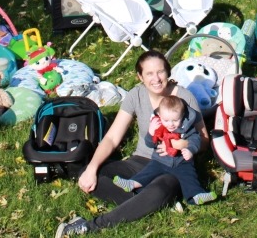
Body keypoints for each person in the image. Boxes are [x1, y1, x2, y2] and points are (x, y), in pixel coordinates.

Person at [56, 50, 212, 237]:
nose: (156, 78)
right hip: (140, 162)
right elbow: (112, 138)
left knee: (159, 190)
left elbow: (203, 140)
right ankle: (147, 203)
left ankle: (92, 225)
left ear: (168, 72)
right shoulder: (136, 95)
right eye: (149, 73)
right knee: (89, 173)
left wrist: (181, 144)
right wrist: (91, 168)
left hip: (173, 167)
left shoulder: (184, 98)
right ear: (140, 76)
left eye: (160, 72)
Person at [111, 95, 216, 205]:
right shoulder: (158, 127)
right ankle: (132, 183)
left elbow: (195, 139)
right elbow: (150, 143)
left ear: (183, 116)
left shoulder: (187, 128)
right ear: (160, 116)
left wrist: (190, 150)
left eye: (175, 120)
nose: (170, 124)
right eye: (166, 120)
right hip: (160, 160)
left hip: (182, 162)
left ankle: (196, 195)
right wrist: (151, 132)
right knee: (148, 172)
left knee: (189, 177)